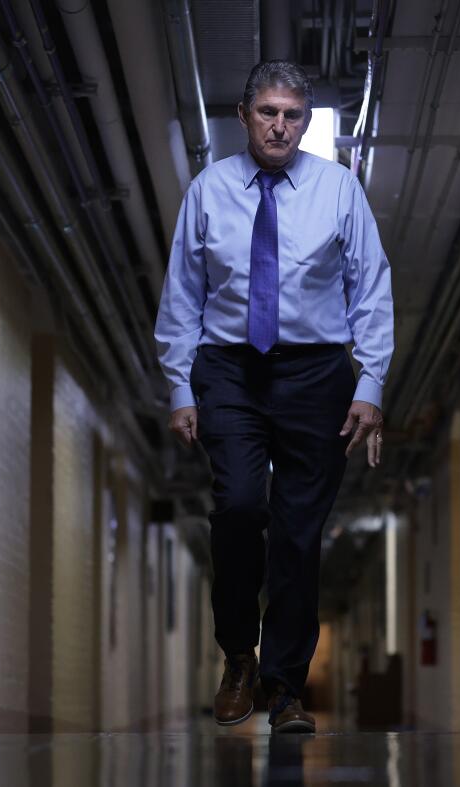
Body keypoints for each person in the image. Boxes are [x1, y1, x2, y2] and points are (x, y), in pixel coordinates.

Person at [154, 60, 394, 734]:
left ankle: (285, 686)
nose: (280, 125)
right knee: (236, 505)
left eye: (292, 114)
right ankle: (238, 654)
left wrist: (370, 383)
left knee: (297, 532)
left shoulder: (339, 191)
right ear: (243, 115)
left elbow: (370, 286)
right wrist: (180, 386)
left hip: (317, 374)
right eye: (268, 112)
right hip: (229, 368)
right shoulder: (209, 190)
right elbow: (183, 295)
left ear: (307, 121)